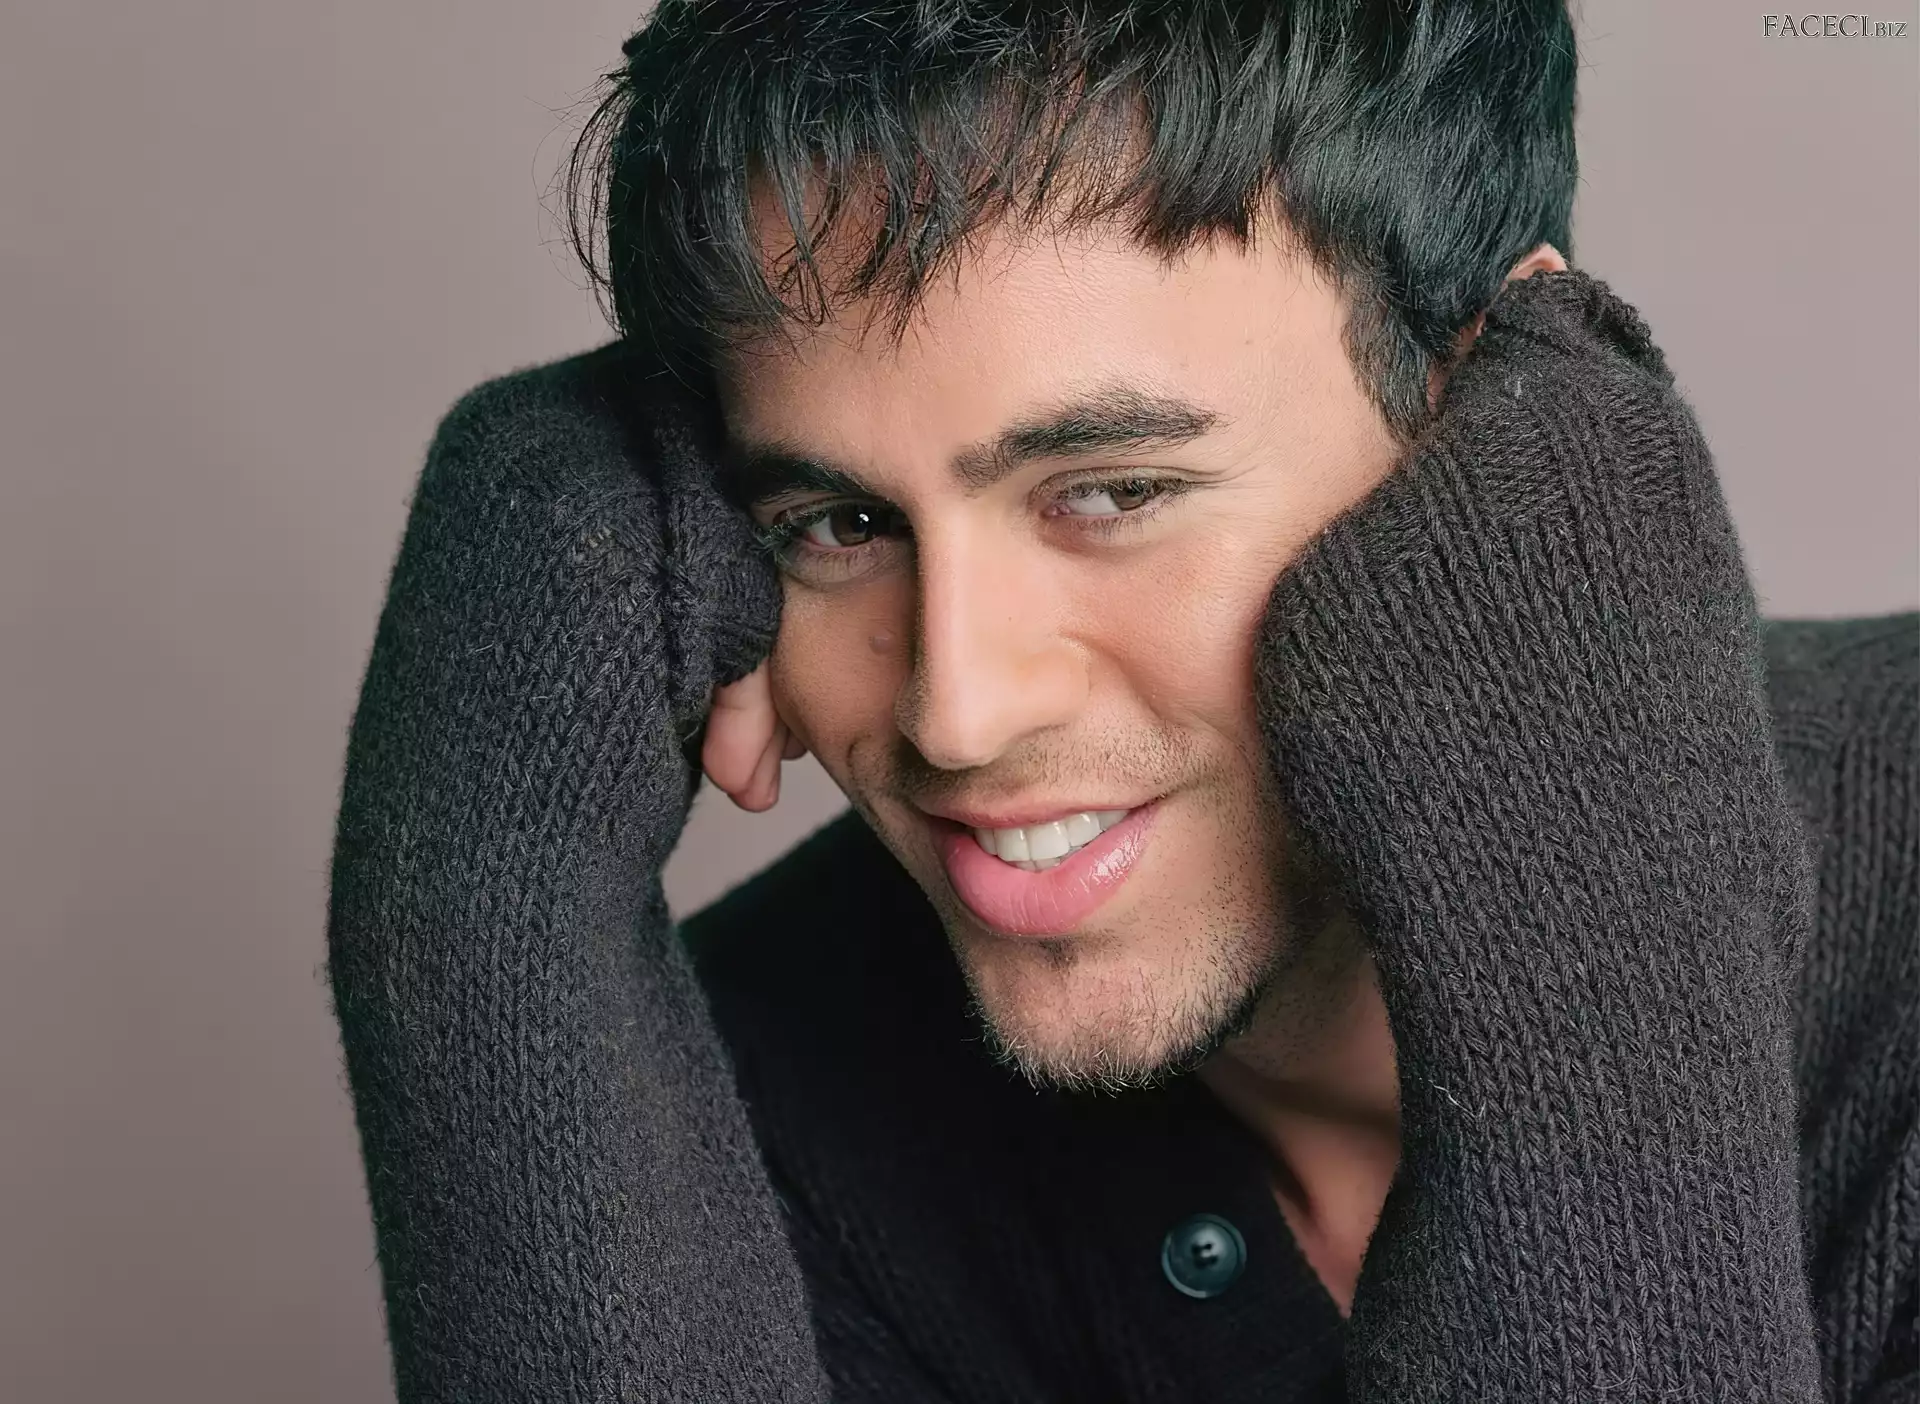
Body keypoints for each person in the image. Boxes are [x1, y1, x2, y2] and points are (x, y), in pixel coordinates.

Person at [324, 3, 1918, 1400]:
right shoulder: (752, 1101)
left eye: (1113, 490)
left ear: (1506, 415)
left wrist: (1591, 918)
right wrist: (490, 907)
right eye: (840, 524)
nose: (958, 711)